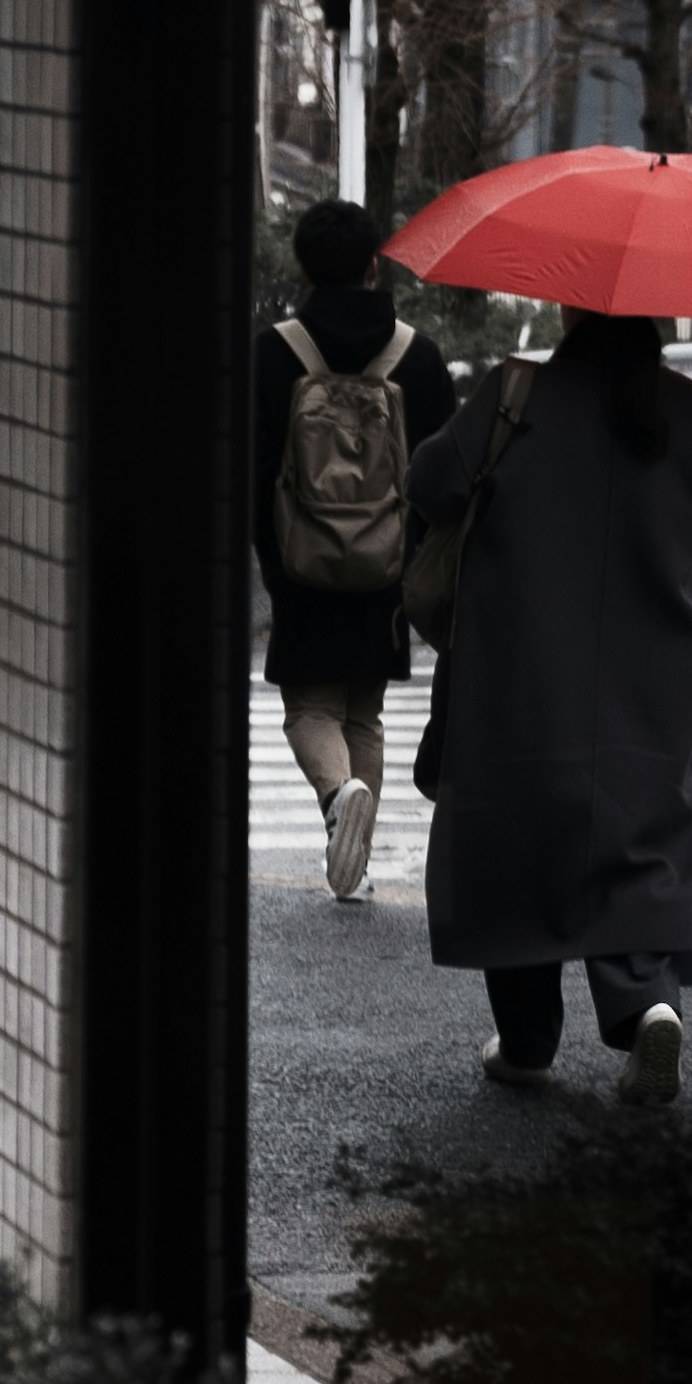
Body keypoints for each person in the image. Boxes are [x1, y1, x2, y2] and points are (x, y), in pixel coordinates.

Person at [407, 307, 692, 1104]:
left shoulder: (515, 396)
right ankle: (645, 1007)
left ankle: (527, 1042)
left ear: (569, 310)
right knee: (640, 832)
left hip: (520, 670)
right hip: (649, 674)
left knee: (518, 838)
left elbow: (429, 483)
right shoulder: (690, 410)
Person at [252, 198, 455, 902]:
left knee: (310, 707)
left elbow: (251, 467)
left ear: (304, 265)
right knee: (362, 710)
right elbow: (443, 472)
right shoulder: (417, 355)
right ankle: (356, 862)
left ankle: (340, 797)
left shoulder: (275, 352)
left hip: (301, 559)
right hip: (385, 564)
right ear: (374, 265)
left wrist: (271, 559)